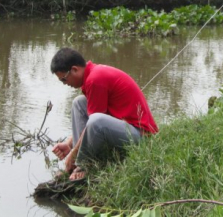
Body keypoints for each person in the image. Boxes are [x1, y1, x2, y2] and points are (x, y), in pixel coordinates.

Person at [50, 48, 158, 181]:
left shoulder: (95, 79)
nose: (65, 84)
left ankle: (83, 164)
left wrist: (72, 154)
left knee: (96, 120)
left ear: (75, 69)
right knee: (79, 103)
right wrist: (69, 144)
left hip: (141, 136)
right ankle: (79, 161)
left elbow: (94, 122)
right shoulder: (92, 76)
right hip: (125, 127)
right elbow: (91, 121)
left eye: (64, 80)